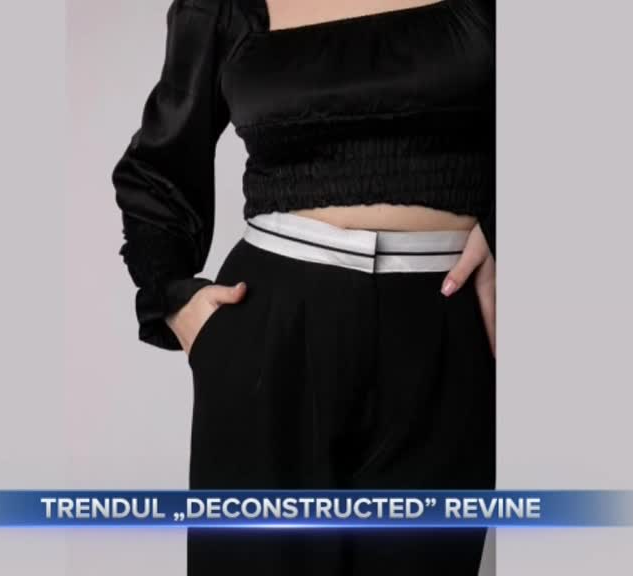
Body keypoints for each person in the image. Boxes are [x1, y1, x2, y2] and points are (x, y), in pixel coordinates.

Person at [112, 0, 495, 574]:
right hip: (271, 329)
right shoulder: (226, 8)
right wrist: (173, 297)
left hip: (446, 323)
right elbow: (158, 168)